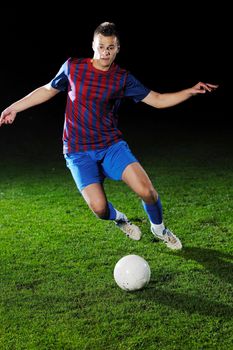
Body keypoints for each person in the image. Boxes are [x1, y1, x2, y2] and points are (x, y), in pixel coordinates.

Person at [0, 22, 218, 250]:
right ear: (93, 45)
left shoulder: (122, 78)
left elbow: (157, 99)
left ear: (117, 49)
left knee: (148, 191)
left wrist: (190, 91)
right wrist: (15, 107)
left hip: (110, 146)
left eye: (110, 47)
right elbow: (47, 90)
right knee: (99, 209)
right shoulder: (73, 68)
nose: (105, 51)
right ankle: (119, 219)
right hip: (78, 151)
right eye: (101, 46)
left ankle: (159, 228)